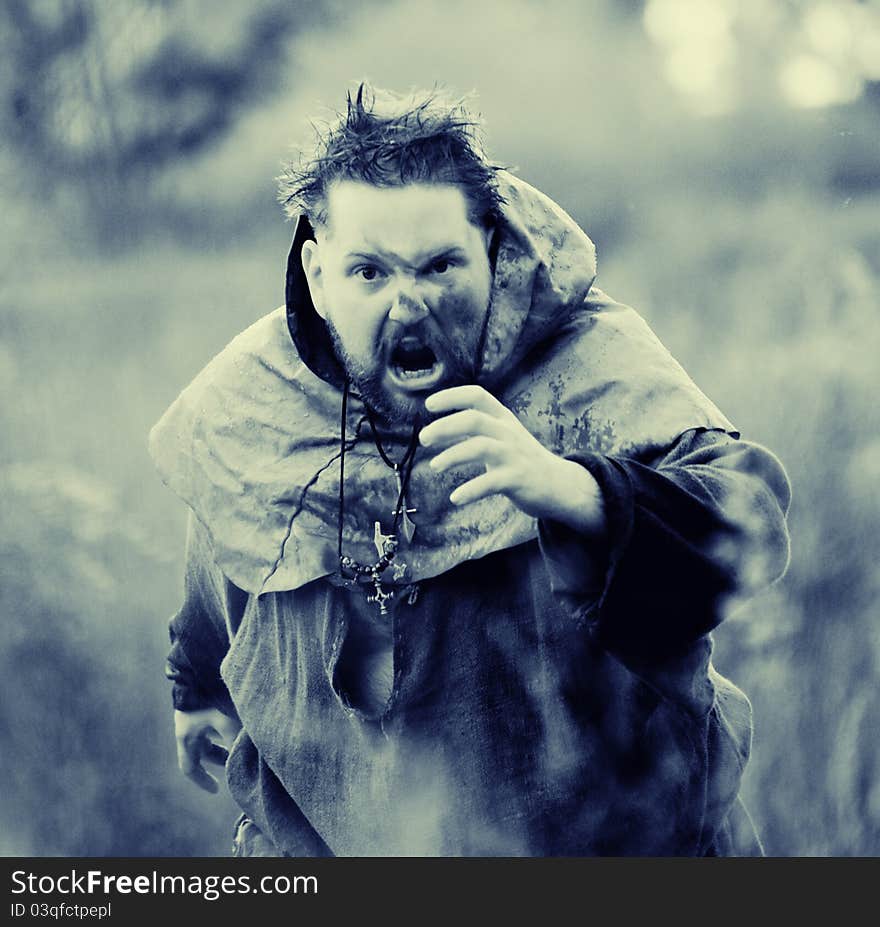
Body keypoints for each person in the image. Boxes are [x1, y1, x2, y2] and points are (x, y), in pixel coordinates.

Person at [149, 83, 791, 857]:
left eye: (440, 265)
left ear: (492, 245)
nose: (409, 305)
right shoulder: (258, 394)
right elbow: (225, 532)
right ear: (317, 276)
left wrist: (575, 489)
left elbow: (748, 513)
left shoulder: (587, 357)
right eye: (370, 273)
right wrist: (197, 689)